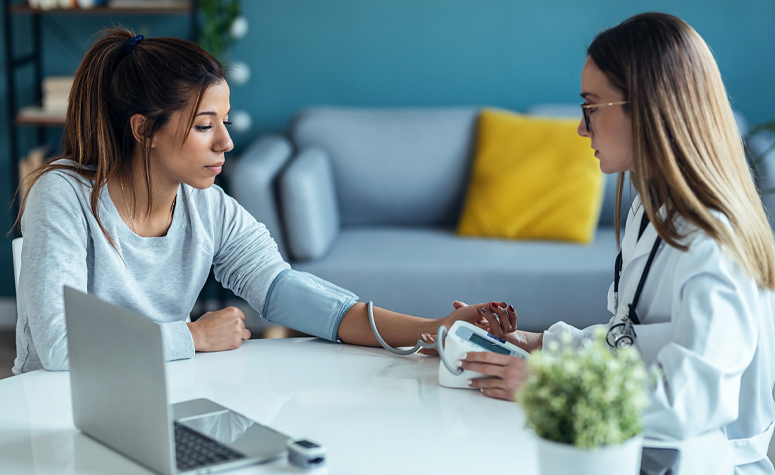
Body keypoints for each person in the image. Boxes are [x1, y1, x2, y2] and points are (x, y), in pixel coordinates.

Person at [13, 29, 514, 375]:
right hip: (56, 407)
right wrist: (193, 336)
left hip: (153, 393)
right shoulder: (62, 196)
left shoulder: (207, 208)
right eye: (205, 126)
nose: (225, 142)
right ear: (143, 129)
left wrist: (431, 329)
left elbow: (290, 293)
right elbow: (59, 348)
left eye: (225, 122)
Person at [452, 13, 775, 474]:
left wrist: (555, 385)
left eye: (590, 107)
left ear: (647, 108)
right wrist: (545, 344)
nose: (581, 130)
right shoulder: (649, 209)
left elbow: (692, 403)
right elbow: (637, 339)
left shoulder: (714, 245)